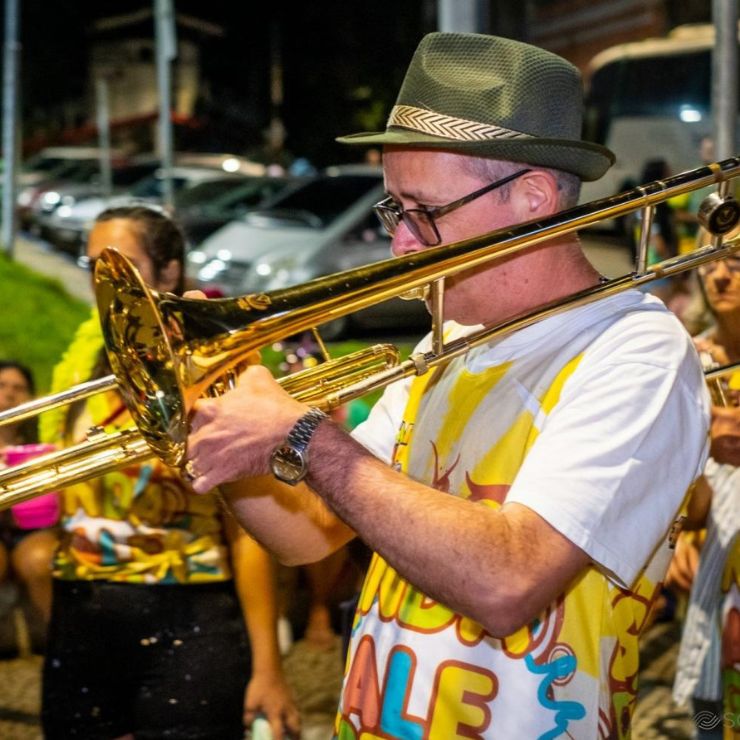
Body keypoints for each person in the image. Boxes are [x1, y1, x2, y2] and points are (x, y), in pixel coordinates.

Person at [182, 34, 710, 737]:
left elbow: (509, 580)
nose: (401, 243)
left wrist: (305, 437)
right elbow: (307, 537)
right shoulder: (446, 342)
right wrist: (212, 414)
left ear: (531, 197)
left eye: (422, 211)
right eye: (393, 211)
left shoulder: (634, 350)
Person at [39, 206, 299, 739]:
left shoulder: (213, 365)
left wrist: (268, 668)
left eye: (121, 266)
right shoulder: (88, 361)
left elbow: (249, 533)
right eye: (94, 268)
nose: (104, 283)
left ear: (169, 272)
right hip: (82, 613)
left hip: (189, 615)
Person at [669, 248, 740, 739]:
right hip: (710, 596)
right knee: (712, 721)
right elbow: (679, 492)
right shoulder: (690, 359)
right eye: (710, 261)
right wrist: (680, 537)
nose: (718, 275)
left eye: (735, 260)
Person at [0, 360, 57, 656]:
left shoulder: (45, 441)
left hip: (32, 529)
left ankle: (58, 643)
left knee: (41, 561)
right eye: (1, 386)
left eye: (19, 388)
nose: (9, 394)